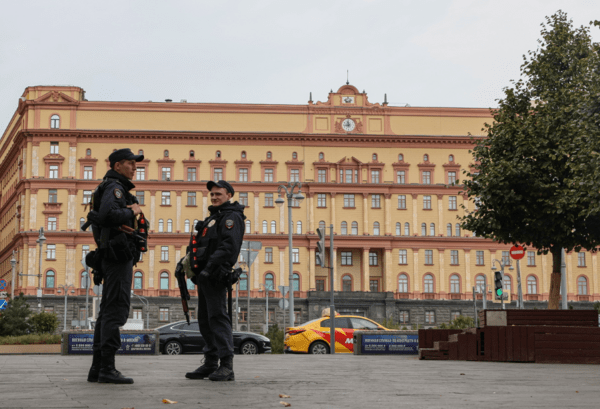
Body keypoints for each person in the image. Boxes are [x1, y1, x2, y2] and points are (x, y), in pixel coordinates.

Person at [87, 148, 143, 384]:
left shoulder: (109, 186)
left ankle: (98, 368)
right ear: (117, 165)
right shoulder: (115, 188)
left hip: (113, 254)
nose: (135, 167)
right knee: (116, 311)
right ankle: (107, 369)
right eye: (131, 163)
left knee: (106, 313)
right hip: (118, 255)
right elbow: (109, 215)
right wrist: (132, 210)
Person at [185, 180, 245, 382]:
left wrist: (210, 267)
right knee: (205, 320)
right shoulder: (214, 217)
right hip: (204, 276)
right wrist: (185, 264)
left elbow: (229, 246)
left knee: (218, 318)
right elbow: (199, 246)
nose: (214, 197)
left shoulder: (231, 217)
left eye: (218, 194)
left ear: (228, 195)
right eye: (212, 194)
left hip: (216, 274)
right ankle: (211, 362)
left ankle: (226, 366)